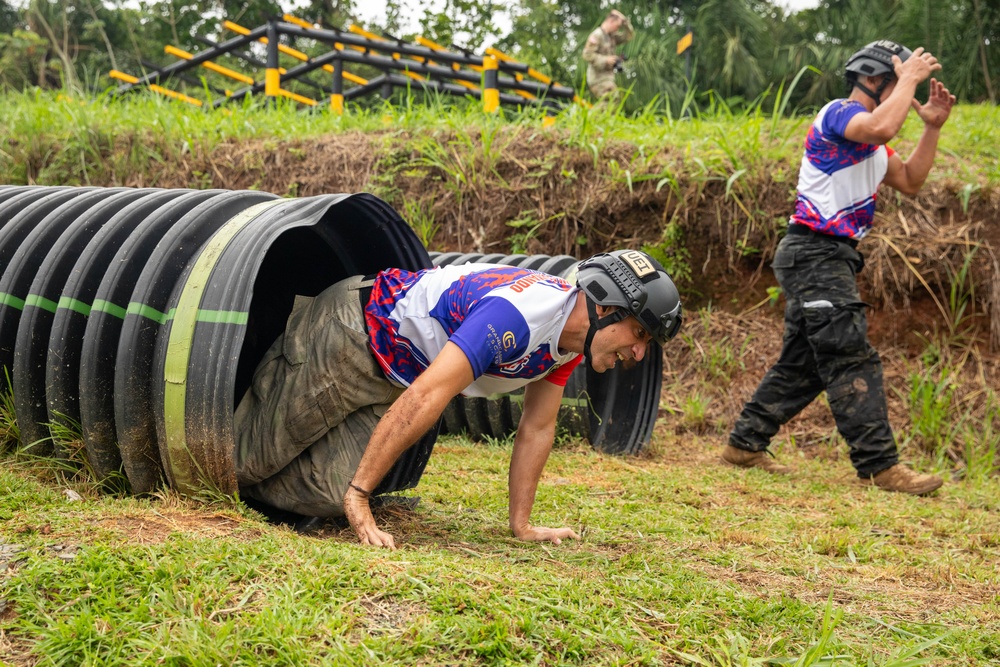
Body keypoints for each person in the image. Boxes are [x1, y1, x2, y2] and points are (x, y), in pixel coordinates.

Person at [234, 250, 682, 547]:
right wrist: (361, 494)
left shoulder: (566, 345)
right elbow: (432, 392)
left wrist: (520, 525)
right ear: (604, 307)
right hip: (355, 336)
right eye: (640, 334)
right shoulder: (517, 317)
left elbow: (538, 427)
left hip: (396, 380)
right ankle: (200, 475)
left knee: (326, 495)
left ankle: (254, 489)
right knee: (249, 460)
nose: (639, 353)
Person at [722, 40, 956, 495]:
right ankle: (880, 466)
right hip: (814, 251)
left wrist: (932, 128)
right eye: (897, 82)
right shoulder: (839, 114)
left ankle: (744, 444)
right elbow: (881, 129)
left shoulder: (869, 144)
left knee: (806, 363)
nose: (906, 95)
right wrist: (910, 78)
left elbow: (909, 180)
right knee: (849, 353)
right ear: (872, 80)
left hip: (831, 255)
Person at [582, 9, 634, 101]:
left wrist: (625, 21)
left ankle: (592, 115)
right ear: (610, 21)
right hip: (598, 78)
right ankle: (590, 115)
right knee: (612, 99)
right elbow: (587, 54)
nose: (617, 29)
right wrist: (605, 60)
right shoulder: (597, 35)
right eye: (617, 26)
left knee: (612, 102)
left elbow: (628, 36)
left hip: (607, 77)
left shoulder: (612, 37)